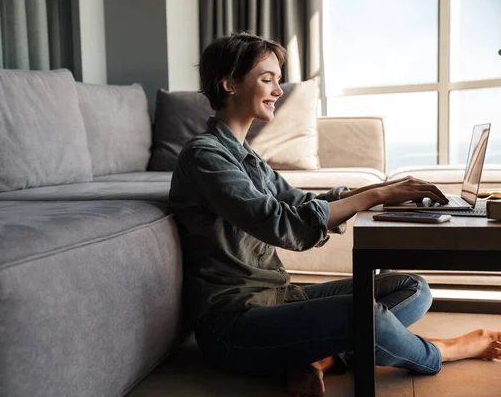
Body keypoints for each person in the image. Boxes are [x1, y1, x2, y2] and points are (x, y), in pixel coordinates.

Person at [168, 32, 501, 397]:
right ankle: (442, 350)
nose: (278, 90)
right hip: (234, 324)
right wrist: (376, 192)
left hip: (281, 297)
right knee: (361, 313)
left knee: (412, 288)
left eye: (278, 79)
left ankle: (318, 359)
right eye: (268, 79)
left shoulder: (246, 156)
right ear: (229, 84)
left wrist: (382, 194)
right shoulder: (205, 156)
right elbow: (283, 223)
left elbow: (298, 201)